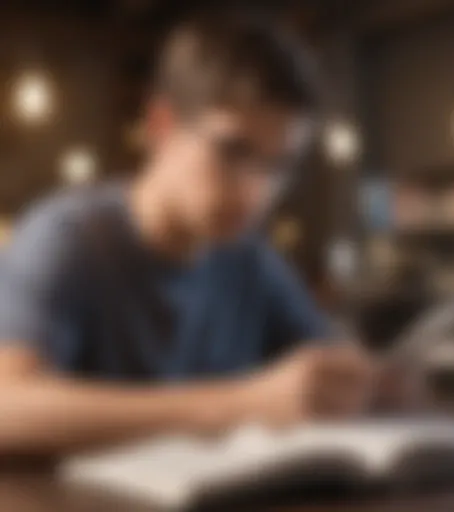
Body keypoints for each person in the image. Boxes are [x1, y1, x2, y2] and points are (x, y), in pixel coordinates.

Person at [0, 16, 373, 457]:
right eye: (233, 152)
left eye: (279, 168)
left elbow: (329, 363)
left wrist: (365, 383)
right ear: (161, 126)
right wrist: (242, 406)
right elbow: (9, 407)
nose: (257, 192)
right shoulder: (66, 236)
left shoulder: (251, 261)